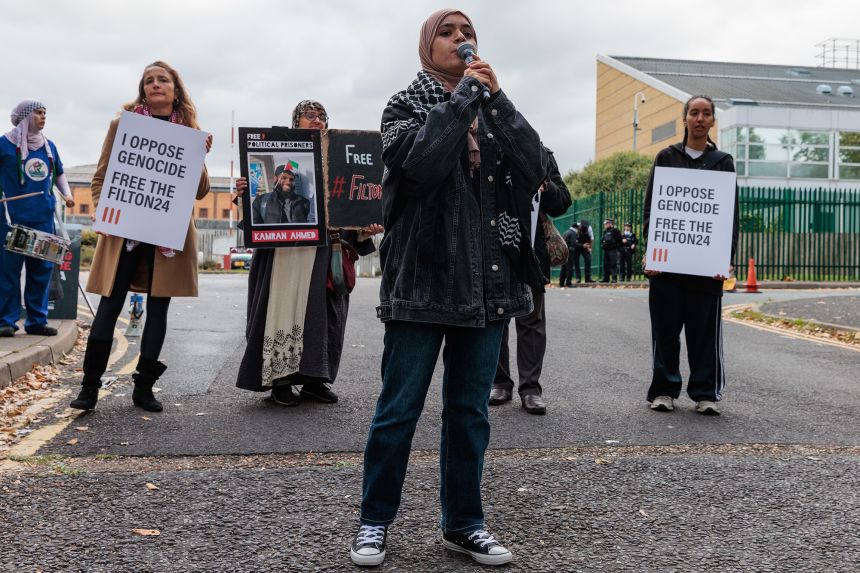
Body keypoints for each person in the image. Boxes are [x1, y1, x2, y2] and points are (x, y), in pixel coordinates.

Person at [351, 9, 551, 567]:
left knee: (470, 414)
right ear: (426, 44)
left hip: (486, 288)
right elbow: (417, 163)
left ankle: (465, 523)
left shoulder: (492, 107)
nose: (462, 40)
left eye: (469, 33)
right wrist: (464, 96)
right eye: (449, 32)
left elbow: (539, 169)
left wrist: (500, 100)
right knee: (398, 410)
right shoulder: (403, 105)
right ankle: (374, 522)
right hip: (421, 282)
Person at [70, 61, 213, 411]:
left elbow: (200, 192)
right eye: (149, 80)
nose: (155, 84)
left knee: (158, 308)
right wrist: (104, 210)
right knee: (109, 304)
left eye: (163, 79)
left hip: (167, 234)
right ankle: (89, 388)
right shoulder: (123, 125)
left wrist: (201, 155)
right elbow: (100, 178)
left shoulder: (190, 130)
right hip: (125, 233)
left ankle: (143, 387)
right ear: (143, 89)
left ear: (175, 89)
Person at [235, 100, 382, 407]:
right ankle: (281, 381)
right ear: (295, 123)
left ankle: (315, 381)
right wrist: (244, 194)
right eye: (310, 115)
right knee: (283, 313)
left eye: (323, 116)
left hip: (325, 252)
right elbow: (259, 212)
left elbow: (351, 203)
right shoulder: (283, 165)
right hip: (284, 256)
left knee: (325, 318)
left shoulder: (341, 158)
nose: (318, 120)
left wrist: (366, 222)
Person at [643, 94, 738, 416]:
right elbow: (652, 210)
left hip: (705, 270)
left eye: (706, 113)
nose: (700, 118)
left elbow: (728, 217)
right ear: (685, 119)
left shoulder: (723, 162)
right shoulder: (666, 157)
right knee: (665, 335)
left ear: (712, 121)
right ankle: (664, 391)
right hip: (667, 269)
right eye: (694, 112)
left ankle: (705, 393)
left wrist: (725, 259)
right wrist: (651, 254)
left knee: (703, 338)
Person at [491, 153, 571, 415]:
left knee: (532, 322)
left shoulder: (540, 154)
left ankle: (531, 390)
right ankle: (500, 383)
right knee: (496, 320)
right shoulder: (489, 147)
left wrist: (544, 184)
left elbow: (562, 202)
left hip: (531, 253)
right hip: (493, 249)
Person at [0, 101, 75, 337]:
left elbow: (59, 173)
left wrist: (68, 195)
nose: (43, 117)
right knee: (8, 272)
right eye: (39, 113)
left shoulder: (48, 146)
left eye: (45, 113)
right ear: (25, 117)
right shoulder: (4, 144)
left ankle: (36, 320)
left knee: (41, 271)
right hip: (12, 219)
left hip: (43, 217)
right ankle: (6, 320)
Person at [600, 218, 622, 283]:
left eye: (606, 223)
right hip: (606, 250)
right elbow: (602, 240)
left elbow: (620, 241)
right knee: (606, 264)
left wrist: (616, 247)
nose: (605, 225)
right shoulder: (605, 232)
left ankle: (614, 278)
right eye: (605, 224)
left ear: (610, 224)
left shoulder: (616, 231)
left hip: (613, 250)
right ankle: (606, 278)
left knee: (613, 264)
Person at [572, 218, 593, 283]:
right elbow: (573, 241)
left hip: (585, 246)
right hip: (577, 246)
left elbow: (592, 239)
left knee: (588, 260)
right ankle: (578, 278)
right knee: (576, 262)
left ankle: (588, 278)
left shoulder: (589, 228)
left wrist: (590, 248)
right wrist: (582, 245)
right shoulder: (575, 227)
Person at [558, 222, 579, 288]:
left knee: (563, 268)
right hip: (569, 252)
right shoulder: (573, 233)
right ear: (576, 228)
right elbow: (573, 243)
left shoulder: (566, 232)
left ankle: (561, 283)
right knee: (569, 268)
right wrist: (579, 244)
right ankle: (568, 283)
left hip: (563, 251)